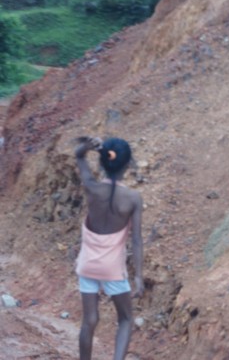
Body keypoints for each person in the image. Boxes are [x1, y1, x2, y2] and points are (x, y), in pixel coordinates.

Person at [74, 136, 144, 360]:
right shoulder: (133, 198)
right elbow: (137, 240)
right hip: (112, 269)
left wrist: (88, 147)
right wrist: (139, 277)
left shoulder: (91, 188)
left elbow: (78, 155)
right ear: (127, 165)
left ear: (103, 162)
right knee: (125, 319)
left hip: (87, 265)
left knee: (90, 321)